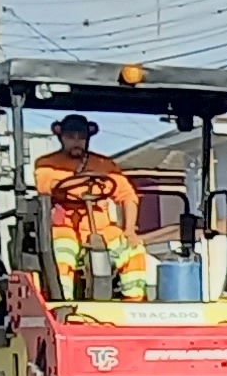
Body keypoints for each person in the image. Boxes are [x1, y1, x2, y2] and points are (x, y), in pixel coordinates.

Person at [30, 113, 156, 301]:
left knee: (134, 251)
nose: (76, 142)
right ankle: (62, 304)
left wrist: (130, 230)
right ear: (61, 137)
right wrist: (83, 188)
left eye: (81, 137)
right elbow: (46, 187)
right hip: (65, 228)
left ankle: (134, 301)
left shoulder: (105, 165)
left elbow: (127, 195)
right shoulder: (47, 164)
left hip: (102, 229)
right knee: (62, 255)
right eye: (71, 137)